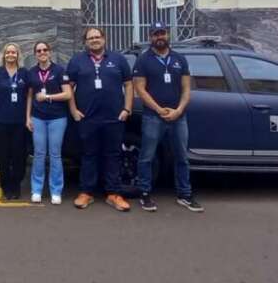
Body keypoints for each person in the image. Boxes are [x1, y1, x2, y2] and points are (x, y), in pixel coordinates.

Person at [134, 22, 203, 212]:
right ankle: (145, 193)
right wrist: (159, 110)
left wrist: (178, 110)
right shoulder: (143, 60)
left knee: (182, 157)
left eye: (162, 33)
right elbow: (140, 89)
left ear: (168, 34)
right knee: (146, 157)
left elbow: (186, 89)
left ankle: (184, 194)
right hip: (153, 116)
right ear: (150, 37)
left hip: (178, 117)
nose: (159, 37)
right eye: (155, 34)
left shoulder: (180, 59)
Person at [66, 27, 133, 212]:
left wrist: (127, 108)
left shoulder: (118, 59)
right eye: (90, 38)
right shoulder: (77, 61)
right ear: (86, 42)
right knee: (88, 155)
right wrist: (73, 110)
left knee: (113, 155)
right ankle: (86, 192)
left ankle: (114, 194)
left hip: (114, 118)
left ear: (104, 39)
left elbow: (128, 85)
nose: (94, 40)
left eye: (97, 37)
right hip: (87, 118)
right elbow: (68, 87)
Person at [25, 40, 72, 205]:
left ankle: (56, 190)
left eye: (45, 49)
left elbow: (68, 94)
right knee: (39, 154)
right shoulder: (32, 72)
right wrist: (28, 117)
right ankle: (36, 189)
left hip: (57, 118)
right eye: (38, 51)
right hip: (38, 118)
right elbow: (30, 96)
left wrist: (47, 97)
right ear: (35, 54)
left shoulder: (59, 70)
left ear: (49, 52)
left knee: (55, 154)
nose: (42, 52)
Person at [0, 43, 28, 201]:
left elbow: (29, 94)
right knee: (3, 154)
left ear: (18, 55)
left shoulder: (24, 73)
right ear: (3, 55)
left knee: (19, 153)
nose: (11, 55)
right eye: (8, 52)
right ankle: (5, 185)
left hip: (20, 120)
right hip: (2, 120)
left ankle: (16, 184)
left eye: (14, 52)